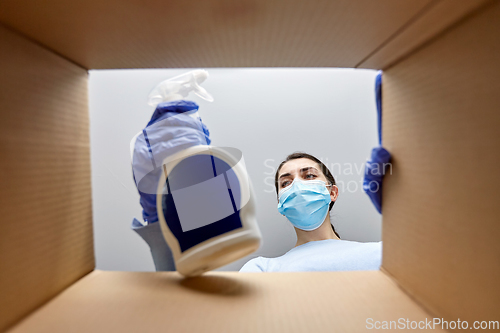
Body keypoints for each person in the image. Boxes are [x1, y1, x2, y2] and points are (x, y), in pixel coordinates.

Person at [239, 152, 381, 272]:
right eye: (286, 183)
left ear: (332, 193)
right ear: (280, 204)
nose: (297, 186)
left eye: (309, 176)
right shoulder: (262, 269)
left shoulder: (380, 253)